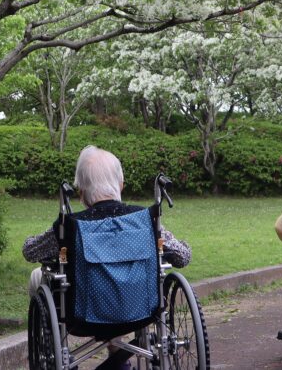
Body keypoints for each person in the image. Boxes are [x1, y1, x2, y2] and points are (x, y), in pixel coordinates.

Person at [23, 146, 190, 370]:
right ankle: (119, 357)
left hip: (83, 317)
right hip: (142, 312)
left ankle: (56, 355)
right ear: (120, 185)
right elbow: (183, 256)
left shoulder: (71, 227)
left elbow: (30, 252)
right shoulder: (145, 221)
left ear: (81, 192)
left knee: (38, 277)